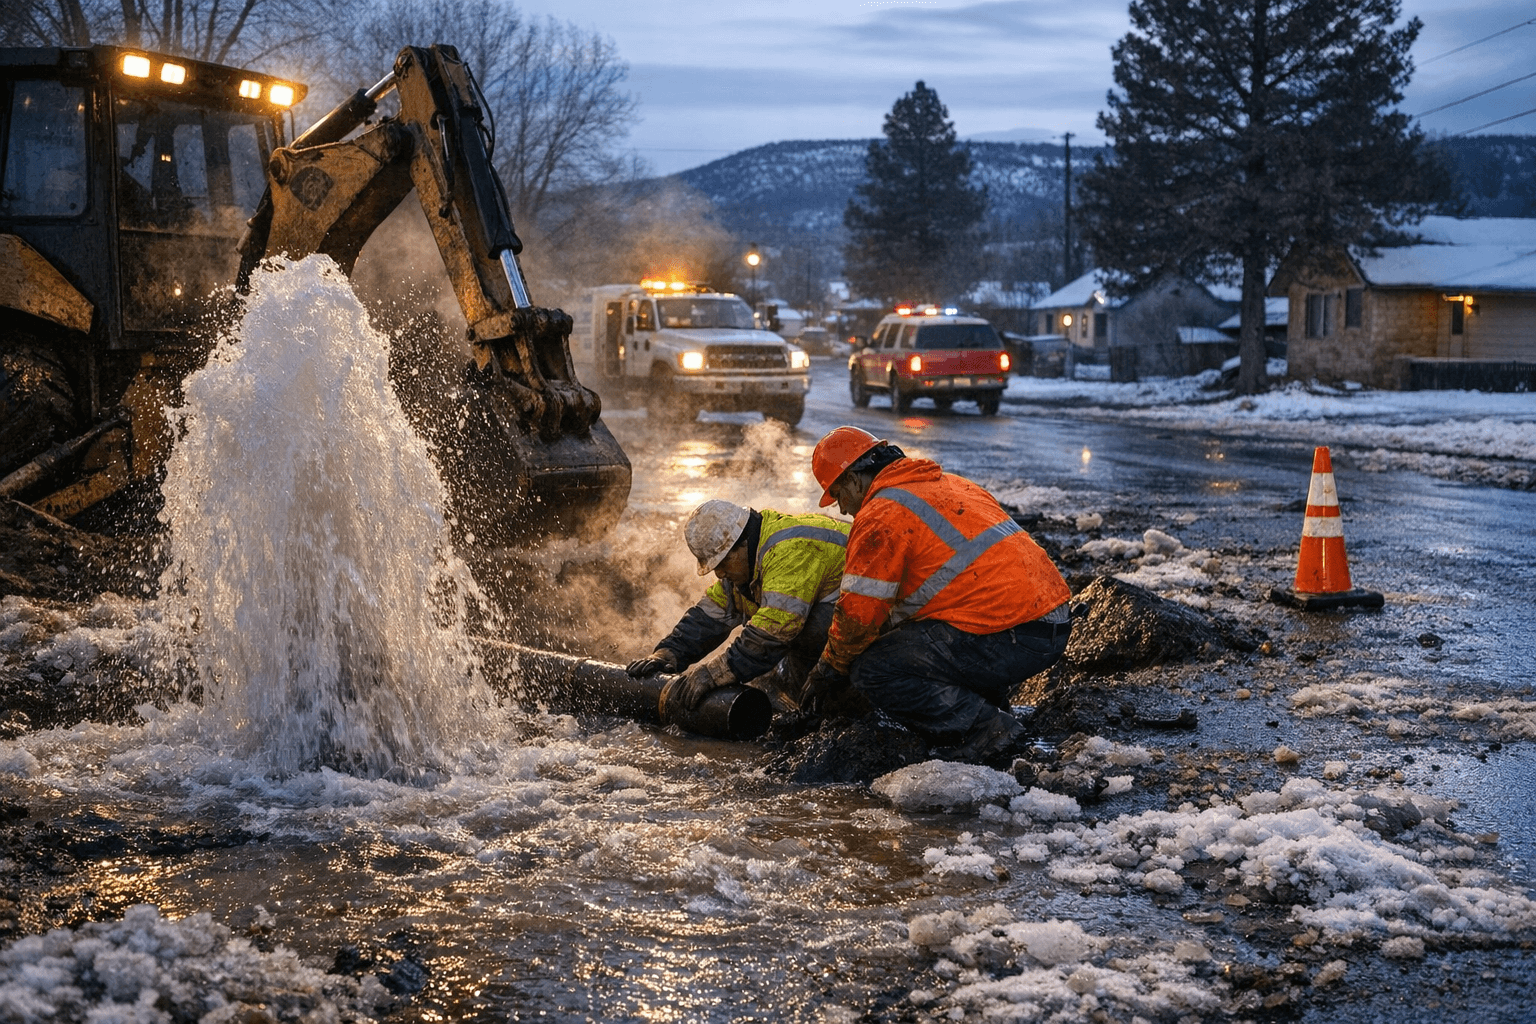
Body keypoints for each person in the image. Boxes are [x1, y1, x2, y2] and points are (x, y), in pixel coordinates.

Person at [799, 426, 1073, 766]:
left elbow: (857, 617)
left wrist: (828, 669)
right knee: (936, 637)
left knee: (874, 669)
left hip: (1012, 633)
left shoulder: (880, 515)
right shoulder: (950, 484)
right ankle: (995, 713)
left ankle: (989, 731)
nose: (841, 510)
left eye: (838, 494)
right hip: (1051, 620)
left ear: (855, 479)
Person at [626, 498, 851, 713]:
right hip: (846, 631)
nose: (719, 573)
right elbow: (707, 618)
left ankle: (841, 704)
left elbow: (771, 634)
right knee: (767, 677)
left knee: (807, 628)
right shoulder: (748, 564)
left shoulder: (789, 552)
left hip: (874, 629)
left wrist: (713, 673)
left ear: (742, 543)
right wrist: (668, 653)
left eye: (722, 563)